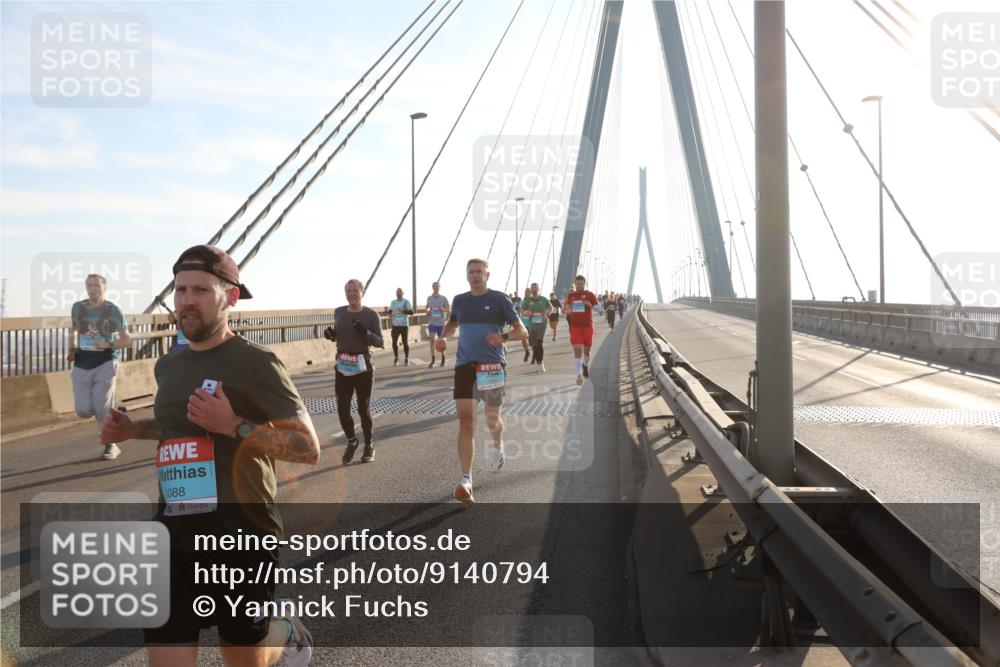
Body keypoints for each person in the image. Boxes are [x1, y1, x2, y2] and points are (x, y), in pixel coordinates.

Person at [99, 244, 320, 667]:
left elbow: (306, 448)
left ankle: (286, 630)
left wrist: (234, 425)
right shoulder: (170, 365)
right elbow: (177, 428)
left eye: (200, 290)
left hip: (243, 533)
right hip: (174, 529)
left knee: (243, 654)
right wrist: (133, 430)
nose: (187, 301)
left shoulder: (258, 363)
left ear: (230, 297)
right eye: (180, 290)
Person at [436, 258, 526, 503]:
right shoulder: (460, 300)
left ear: (488, 275)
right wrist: (443, 338)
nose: (475, 275)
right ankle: (466, 478)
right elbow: (452, 323)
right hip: (465, 366)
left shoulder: (499, 299)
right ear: (466, 276)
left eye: (479, 272)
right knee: (466, 421)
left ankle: (497, 444)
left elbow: (522, 331)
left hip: (492, 366)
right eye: (471, 272)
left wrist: (503, 336)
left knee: (492, 419)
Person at [68, 273, 131, 460]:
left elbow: (126, 339)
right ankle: (111, 405)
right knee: (83, 410)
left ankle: (111, 445)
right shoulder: (78, 308)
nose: (93, 289)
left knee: (101, 408)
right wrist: (71, 350)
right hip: (82, 361)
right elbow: (74, 330)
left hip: (106, 361)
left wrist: (108, 344)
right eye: (89, 285)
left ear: (105, 288)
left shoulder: (113, 310)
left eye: (97, 285)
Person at [323, 279, 384, 464]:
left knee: (362, 409)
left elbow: (380, 342)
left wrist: (364, 332)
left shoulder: (371, 315)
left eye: (355, 291)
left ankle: (369, 445)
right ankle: (352, 441)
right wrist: (332, 336)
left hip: (363, 365)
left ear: (362, 293)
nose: (351, 294)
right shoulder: (339, 312)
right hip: (343, 365)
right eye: (348, 291)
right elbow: (340, 335)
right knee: (342, 409)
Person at [563, 274, 602, 386]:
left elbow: (600, 309)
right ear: (575, 284)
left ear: (584, 284)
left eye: (581, 283)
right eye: (577, 283)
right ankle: (578, 375)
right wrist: (568, 310)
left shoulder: (590, 295)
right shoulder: (571, 296)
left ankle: (585, 365)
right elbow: (566, 308)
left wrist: (590, 305)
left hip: (587, 326)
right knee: (577, 351)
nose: (579, 285)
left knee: (586, 351)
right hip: (575, 327)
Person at [522, 283, 551, 372]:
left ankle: (540, 363)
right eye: (532, 288)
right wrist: (527, 313)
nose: (534, 290)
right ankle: (538, 360)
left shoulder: (543, 299)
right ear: (531, 290)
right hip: (532, 326)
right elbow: (522, 311)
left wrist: (546, 312)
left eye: (536, 288)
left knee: (539, 342)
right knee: (534, 346)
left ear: (539, 289)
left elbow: (550, 307)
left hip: (542, 325)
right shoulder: (528, 300)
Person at [426, 282, 450, 368]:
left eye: (438, 286)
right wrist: (428, 311)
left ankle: (443, 359)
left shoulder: (443, 298)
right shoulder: (429, 298)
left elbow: (449, 310)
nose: (436, 287)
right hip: (432, 322)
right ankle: (433, 359)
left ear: (440, 287)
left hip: (441, 323)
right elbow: (427, 308)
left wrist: (442, 309)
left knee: (441, 342)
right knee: (432, 339)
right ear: (432, 287)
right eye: (435, 286)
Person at [388, 287, 413, 366]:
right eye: (397, 292)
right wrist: (390, 315)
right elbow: (390, 312)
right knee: (394, 342)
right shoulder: (393, 302)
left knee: (405, 342)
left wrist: (403, 311)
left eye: (400, 292)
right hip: (395, 325)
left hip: (404, 325)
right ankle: (396, 358)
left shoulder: (406, 302)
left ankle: (406, 359)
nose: (398, 293)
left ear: (403, 293)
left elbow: (411, 312)